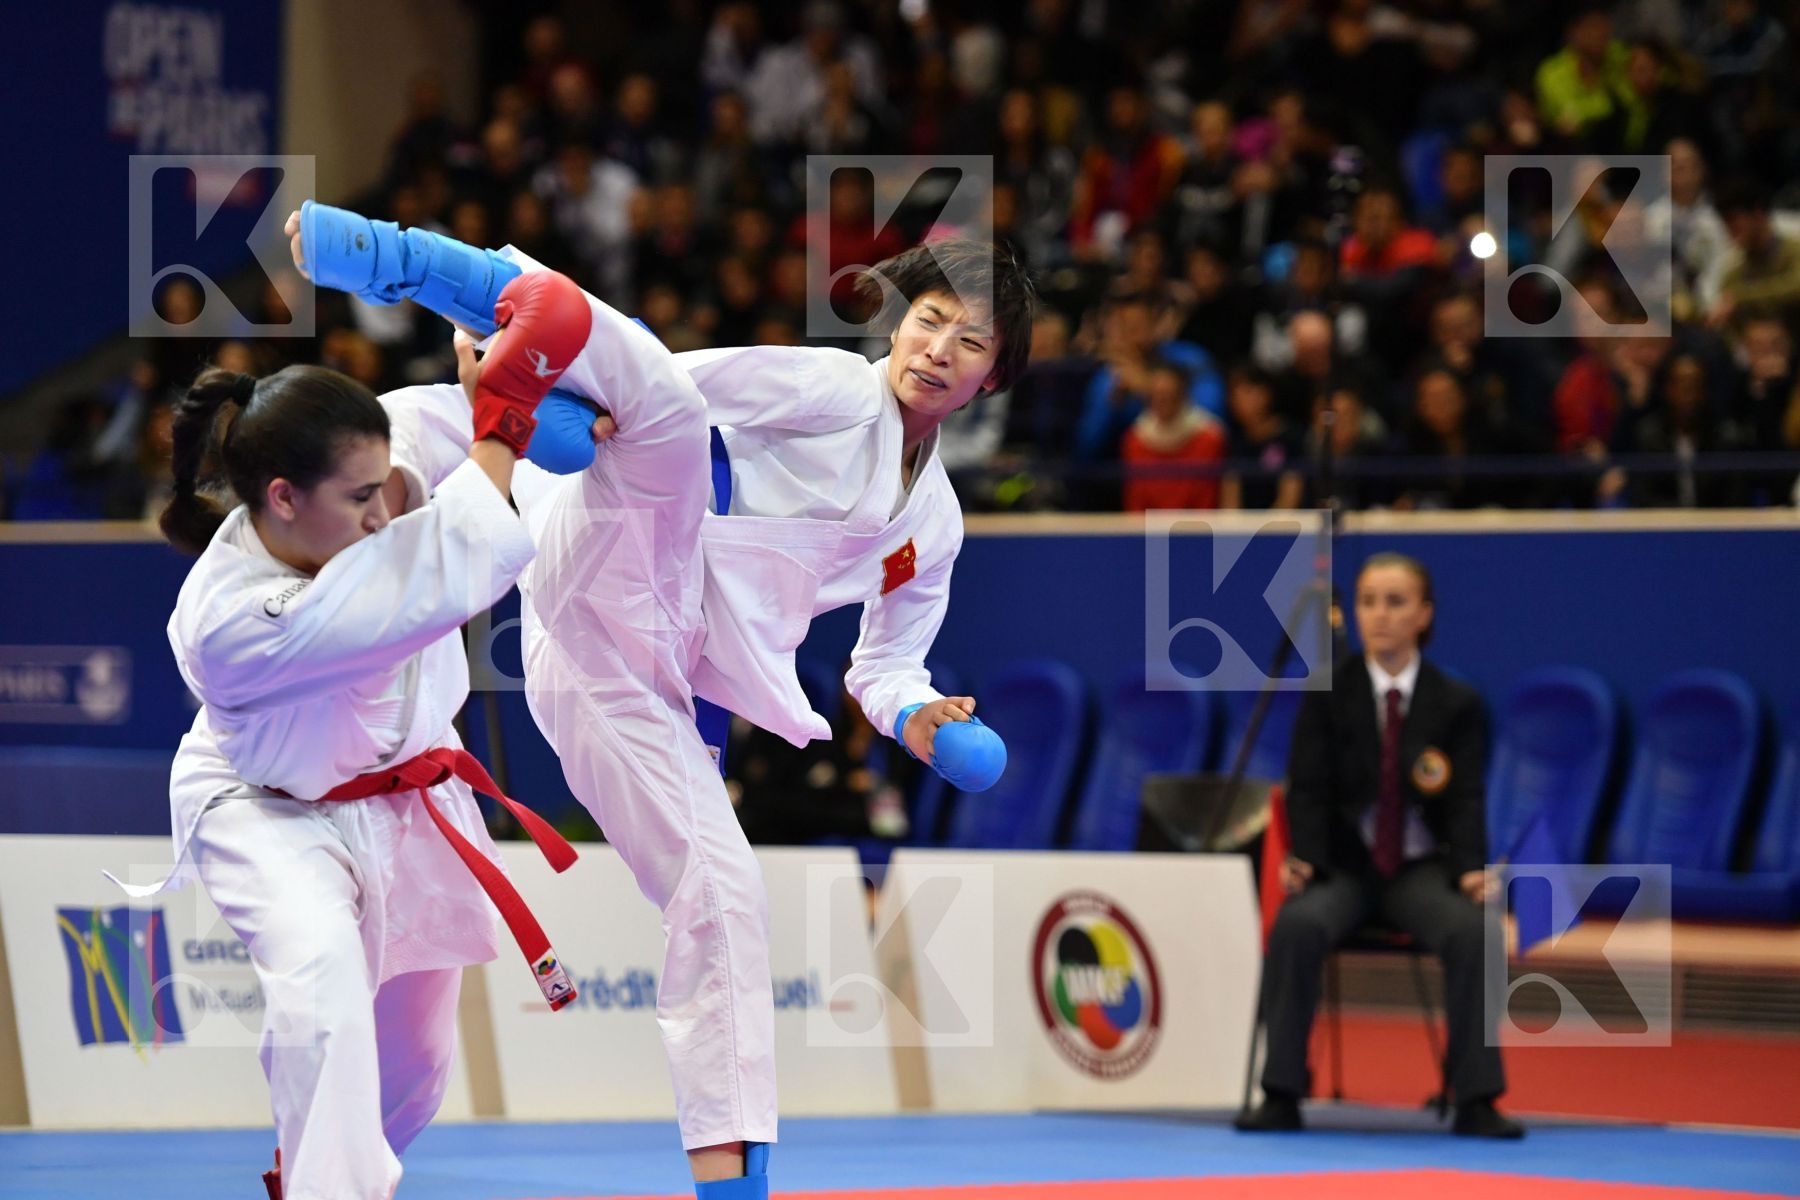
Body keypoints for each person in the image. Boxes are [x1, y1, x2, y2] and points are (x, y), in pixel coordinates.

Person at [292, 202, 1030, 1200]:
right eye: (927, 320)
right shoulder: (829, 388)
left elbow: (885, 667)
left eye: (969, 341)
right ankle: (403, 263)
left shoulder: (932, 526)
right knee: (653, 397)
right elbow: (665, 385)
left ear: (995, 378)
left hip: (632, 674)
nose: (937, 350)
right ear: (895, 324)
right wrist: (572, 421)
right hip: (611, 524)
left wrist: (921, 716)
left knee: (726, 899)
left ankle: (730, 1189)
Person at [131, 265, 594, 1199]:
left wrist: (517, 375)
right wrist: (501, 423)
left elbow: (474, 402)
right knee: (324, 988)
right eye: (359, 500)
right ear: (281, 499)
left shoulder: (355, 448)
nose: (382, 509)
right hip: (268, 808)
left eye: (384, 485)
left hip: (412, 795)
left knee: (416, 1071)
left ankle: (312, 1170)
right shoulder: (232, 620)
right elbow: (424, 581)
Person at [1236, 553, 1522, 1139]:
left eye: (1395, 602)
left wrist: (1472, 872)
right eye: (1368, 601)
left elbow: (1465, 797)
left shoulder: (1457, 703)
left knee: (1477, 930)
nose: (1379, 615)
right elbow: (1306, 790)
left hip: (1419, 871)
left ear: (1424, 614)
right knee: (1297, 925)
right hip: (1341, 869)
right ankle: (1281, 1091)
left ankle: (1476, 1098)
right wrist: (1305, 859)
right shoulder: (1327, 694)